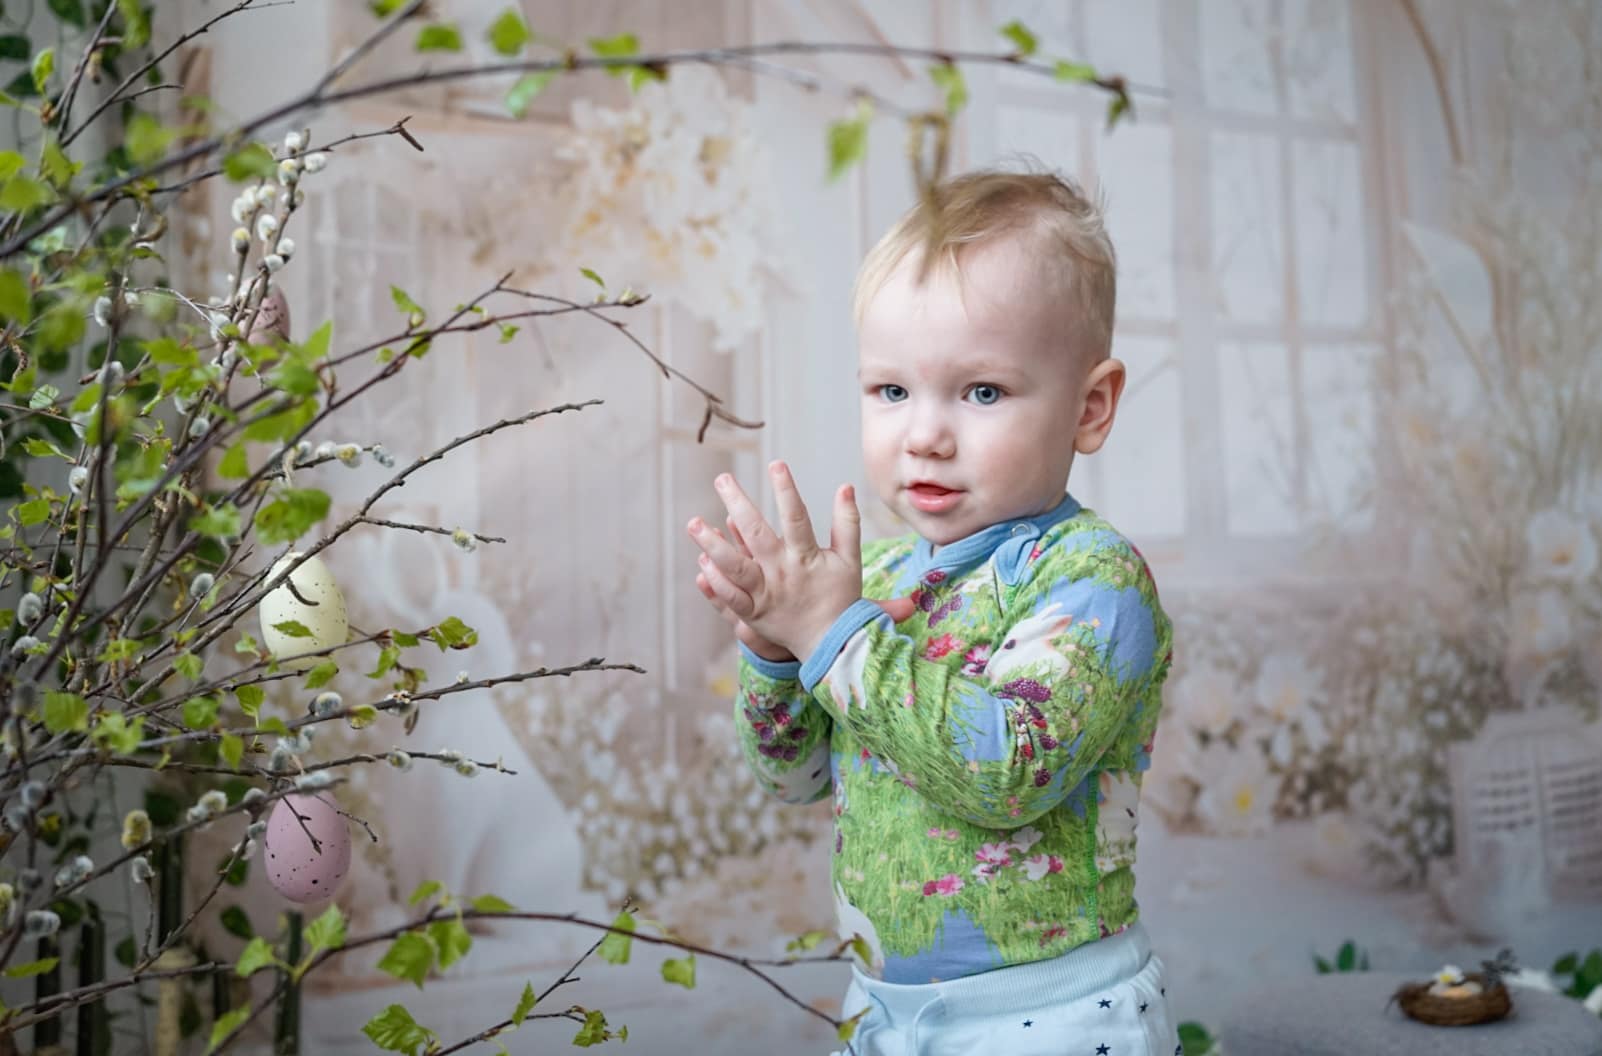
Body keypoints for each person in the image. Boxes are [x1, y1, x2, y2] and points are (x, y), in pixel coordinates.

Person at [688, 168, 1178, 1055]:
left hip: (1053, 1013)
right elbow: (794, 780)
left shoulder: (1092, 578)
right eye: (892, 391)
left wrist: (834, 636)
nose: (924, 435)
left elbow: (1007, 774)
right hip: (881, 1008)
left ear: (1090, 406)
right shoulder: (868, 578)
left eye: (982, 391)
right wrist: (777, 655)